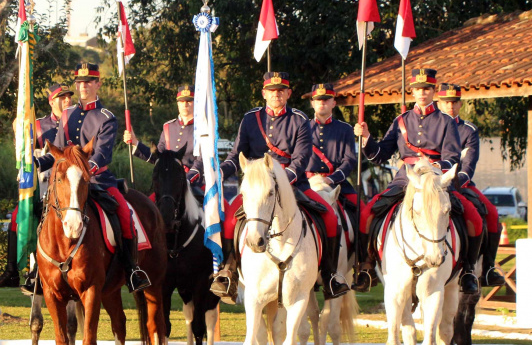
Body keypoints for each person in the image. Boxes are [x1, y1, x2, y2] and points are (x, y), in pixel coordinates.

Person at [210, 72, 351, 304]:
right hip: (257, 184)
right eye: (271, 90)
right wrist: (220, 172)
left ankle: (329, 275)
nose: (276, 94)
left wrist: (282, 179)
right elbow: (237, 156)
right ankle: (229, 272)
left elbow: (301, 157)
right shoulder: (249, 119)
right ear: (264, 93)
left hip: (292, 182)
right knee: (229, 222)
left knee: (329, 218)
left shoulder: (300, 119)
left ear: (288, 93)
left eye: (281, 90)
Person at [353, 69, 483, 295]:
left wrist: (434, 172)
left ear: (433, 91)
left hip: (435, 181)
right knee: (367, 214)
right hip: (405, 178)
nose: (422, 93)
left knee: (472, 216)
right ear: (411, 92)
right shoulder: (401, 121)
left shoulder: (446, 121)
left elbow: (451, 157)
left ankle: (469, 270)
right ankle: (367, 265)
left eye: (427, 89)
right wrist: (366, 139)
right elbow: (381, 154)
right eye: (417, 89)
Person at [35, 63, 151, 293]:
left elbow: (102, 155)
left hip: (98, 180)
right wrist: (36, 163)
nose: (83, 86)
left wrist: (84, 172)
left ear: (98, 84)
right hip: (67, 184)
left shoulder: (106, 117)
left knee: (125, 216)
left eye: (88, 82)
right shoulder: (67, 115)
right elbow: (57, 151)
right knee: (43, 217)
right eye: (79, 82)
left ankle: (131, 270)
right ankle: (37, 272)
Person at [0, 83, 74, 291]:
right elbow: (24, 152)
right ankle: (12, 271)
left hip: (66, 183)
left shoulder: (74, 122)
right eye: (62, 97)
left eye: (68, 97)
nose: (67, 100)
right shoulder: (37, 124)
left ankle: (40, 271)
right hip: (41, 183)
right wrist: (19, 129)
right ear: (51, 101)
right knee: (19, 216)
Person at [436, 83, 506, 287]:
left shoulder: (468, 130)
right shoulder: (431, 127)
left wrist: (454, 184)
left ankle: (488, 269)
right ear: (439, 103)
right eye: (446, 102)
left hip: (460, 184)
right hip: (430, 184)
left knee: (491, 213)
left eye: (455, 102)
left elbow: (468, 166)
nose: (451, 106)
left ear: (460, 104)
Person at [124, 85, 204, 191]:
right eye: (181, 101)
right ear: (177, 104)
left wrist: (187, 180)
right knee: (149, 205)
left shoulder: (203, 128)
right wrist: (135, 142)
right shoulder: (168, 127)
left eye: (189, 101)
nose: (185, 104)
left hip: (194, 184)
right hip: (169, 184)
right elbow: (158, 157)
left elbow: (201, 161)